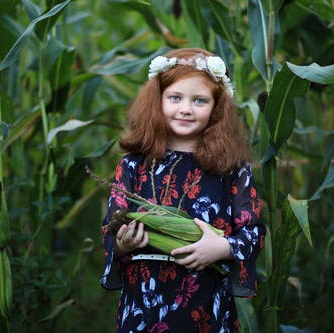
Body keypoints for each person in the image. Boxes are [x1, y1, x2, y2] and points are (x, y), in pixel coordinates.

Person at [100, 47, 266, 333]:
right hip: (144, 305)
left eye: (199, 100)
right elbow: (111, 230)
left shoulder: (232, 170)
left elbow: (253, 233)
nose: (186, 109)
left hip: (204, 304)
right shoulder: (134, 166)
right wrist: (122, 243)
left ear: (217, 108)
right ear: (157, 100)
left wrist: (222, 247)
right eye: (175, 98)